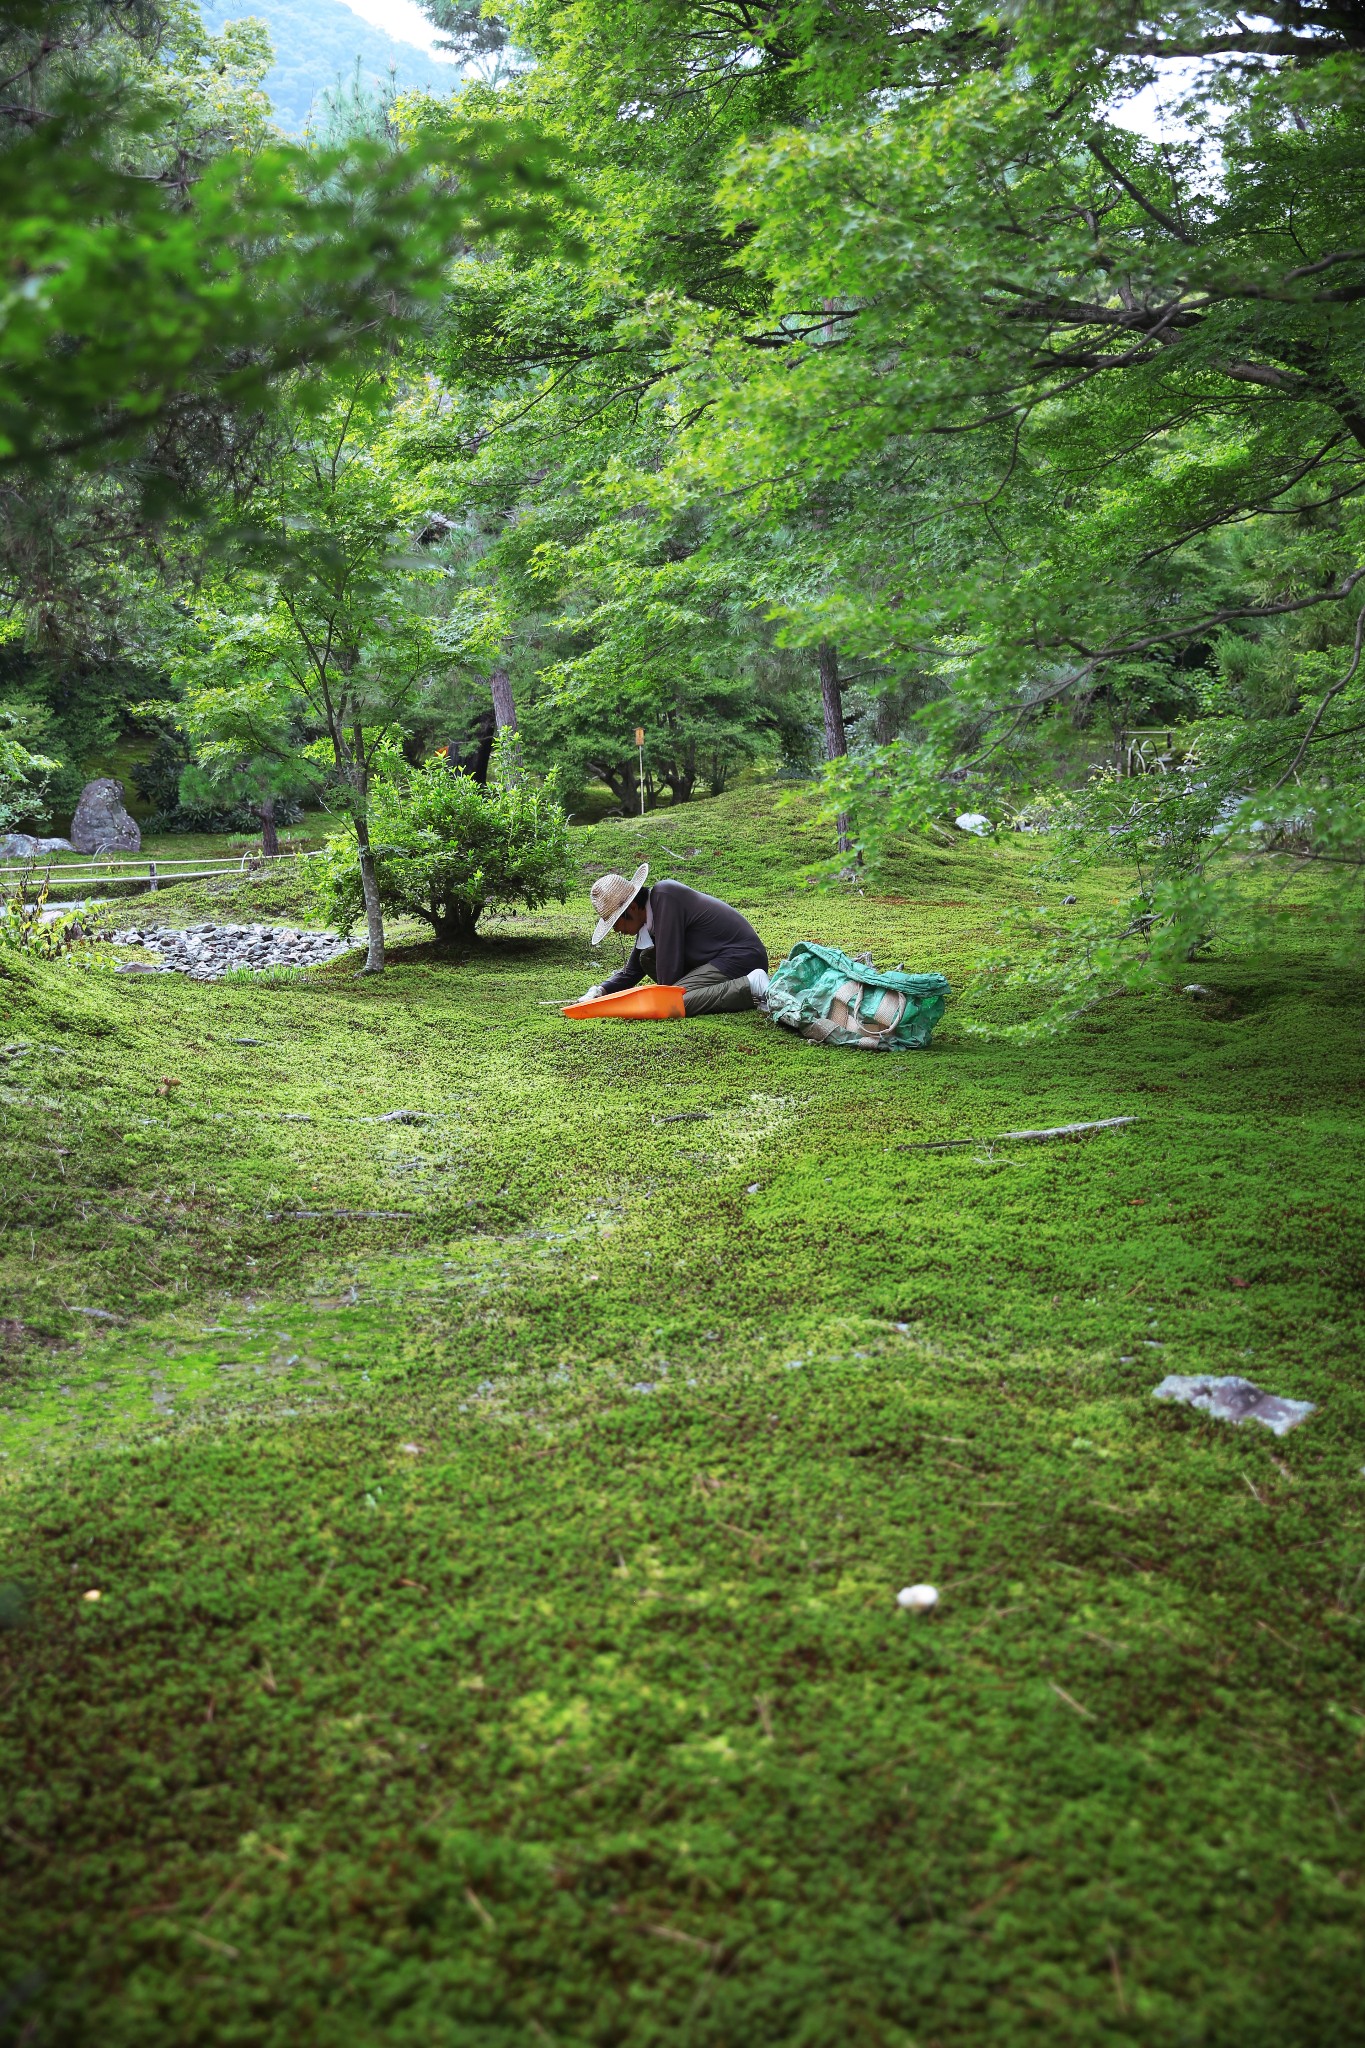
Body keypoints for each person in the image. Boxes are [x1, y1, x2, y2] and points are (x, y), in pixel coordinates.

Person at [580, 862, 770, 1015]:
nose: (616, 930)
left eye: (615, 923)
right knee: (646, 958)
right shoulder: (648, 915)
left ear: (632, 909)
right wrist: (600, 991)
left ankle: (752, 984)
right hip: (716, 960)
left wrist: (644, 999)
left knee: (669, 1002)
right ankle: (738, 986)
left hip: (740, 957)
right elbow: (632, 972)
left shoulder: (665, 897)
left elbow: (668, 981)